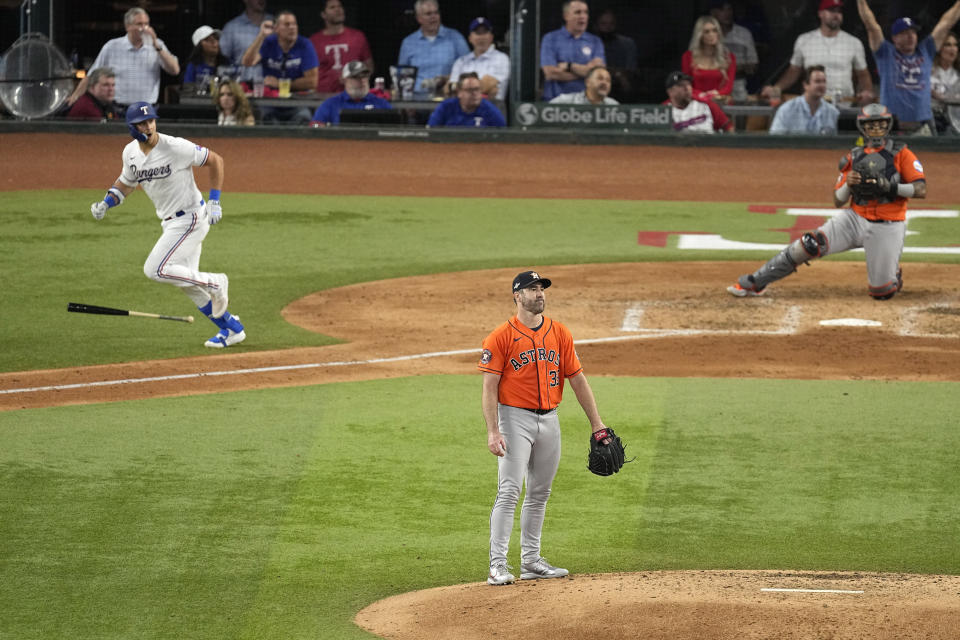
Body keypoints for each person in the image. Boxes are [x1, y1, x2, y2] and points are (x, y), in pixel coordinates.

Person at [479, 270, 611, 586]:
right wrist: (493, 430)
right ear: (517, 296)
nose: (539, 294)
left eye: (541, 288)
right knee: (510, 489)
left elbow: (577, 379)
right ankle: (497, 565)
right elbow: (489, 387)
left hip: (550, 419)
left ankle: (531, 561)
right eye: (532, 289)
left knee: (540, 492)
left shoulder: (560, 333)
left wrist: (597, 424)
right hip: (514, 419)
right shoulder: (500, 337)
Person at [728, 103, 927, 300]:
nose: (876, 128)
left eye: (881, 124)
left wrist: (890, 187)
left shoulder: (903, 154)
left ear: (888, 125)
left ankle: (892, 275)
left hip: (888, 225)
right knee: (809, 244)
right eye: (871, 124)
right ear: (862, 127)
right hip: (854, 219)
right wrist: (848, 184)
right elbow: (838, 201)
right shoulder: (853, 157)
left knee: (882, 292)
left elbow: (920, 189)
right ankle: (756, 281)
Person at [88, 103, 246, 348]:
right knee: (187, 284)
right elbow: (127, 182)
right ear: (132, 128)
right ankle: (232, 329)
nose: (149, 126)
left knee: (155, 268)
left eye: (151, 121)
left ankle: (216, 282)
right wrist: (106, 203)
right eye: (143, 123)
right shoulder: (130, 153)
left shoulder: (175, 146)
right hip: (170, 222)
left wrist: (215, 201)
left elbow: (216, 160)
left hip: (191, 218)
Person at [857, 0, 960, 134]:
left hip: (923, 125)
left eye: (913, 32)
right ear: (894, 37)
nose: (910, 36)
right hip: (892, 126)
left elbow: (946, 23)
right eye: (904, 33)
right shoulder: (885, 53)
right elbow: (871, 25)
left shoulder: (926, 50)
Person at [761, 0, 872, 106]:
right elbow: (794, 71)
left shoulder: (853, 42)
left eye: (839, 11)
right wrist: (777, 88)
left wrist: (867, 91)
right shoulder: (804, 40)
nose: (836, 15)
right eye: (831, 11)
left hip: (843, 104)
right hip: (812, 105)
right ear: (821, 14)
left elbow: (863, 74)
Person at [67, 7, 180, 108]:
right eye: (139, 24)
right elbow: (92, 75)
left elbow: (175, 70)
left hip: (146, 108)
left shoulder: (157, 45)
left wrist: (156, 46)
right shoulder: (112, 46)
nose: (144, 28)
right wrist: (75, 97)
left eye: (147, 24)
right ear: (128, 26)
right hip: (118, 107)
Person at [241, 10, 319, 123]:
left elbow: (312, 82)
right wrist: (261, 36)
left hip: (297, 102)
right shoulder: (269, 42)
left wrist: (280, 83)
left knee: (304, 117)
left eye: (294, 24)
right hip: (271, 102)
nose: (292, 27)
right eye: (287, 24)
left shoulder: (305, 45)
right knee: (266, 118)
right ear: (276, 28)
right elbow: (247, 62)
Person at [397, 0, 470, 98]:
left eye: (436, 13)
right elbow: (403, 76)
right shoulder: (408, 42)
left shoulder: (456, 38)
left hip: (449, 98)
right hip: (416, 100)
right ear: (419, 18)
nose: (433, 17)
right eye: (428, 14)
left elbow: (468, 69)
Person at [540, 0, 606, 101]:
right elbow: (551, 73)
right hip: (555, 102)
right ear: (566, 16)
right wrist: (586, 73)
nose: (583, 16)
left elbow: (598, 73)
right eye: (578, 12)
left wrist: (568, 66)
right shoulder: (550, 39)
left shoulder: (595, 41)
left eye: (586, 12)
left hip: (587, 102)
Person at [309, 0, 374, 94]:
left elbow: (369, 66)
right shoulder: (314, 41)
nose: (338, 9)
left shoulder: (358, 37)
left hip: (353, 95)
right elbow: (309, 74)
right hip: (323, 97)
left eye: (339, 6)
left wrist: (355, 78)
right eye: (332, 7)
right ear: (323, 14)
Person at [310, 61, 391, 126]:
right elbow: (315, 129)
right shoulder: (331, 104)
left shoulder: (381, 103)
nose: (362, 81)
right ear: (345, 80)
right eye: (356, 77)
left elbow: (395, 130)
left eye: (365, 76)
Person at [448, 17, 510, 101]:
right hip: (463, 110)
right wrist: (483, 87)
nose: (481, 37)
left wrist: (461, 87)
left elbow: (486, 85)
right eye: (477, 32)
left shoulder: (502, 58)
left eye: (485, 32)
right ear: (470, 38)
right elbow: (451, 89)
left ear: (491, 37)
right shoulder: (461, 61)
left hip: (492, 108)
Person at [769, 65, 840, 134]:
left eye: (824, 81)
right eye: (817, 81)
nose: (822, 85)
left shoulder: (832, 112)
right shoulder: (787, 110)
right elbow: (775, 140)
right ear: (805, 85)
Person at [709, 0, 758, 100]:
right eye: (722, 10)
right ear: (713, 13)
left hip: (739, 88)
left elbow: (753, 65)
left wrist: (729, 69)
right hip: (711, 89)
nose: (727, 13)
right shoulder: (706, 34)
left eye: (729, 9)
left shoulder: (744, 33)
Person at [682, 15, 736, 103]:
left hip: (720, 102)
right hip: (696, 102)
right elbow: (687, 85)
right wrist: (701, 95)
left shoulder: (729, 58)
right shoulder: (688, 57)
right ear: (700, 35)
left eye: (714, 31)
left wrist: (715, 94)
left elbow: (728, 87)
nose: (711, 35)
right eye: (706, 32)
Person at [221, 0, 274, 85]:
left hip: (271, 87)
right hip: (240, 86)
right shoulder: (232, 27)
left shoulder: (277, 25)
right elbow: (222, 61)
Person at [426, 72, 506, 127]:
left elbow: (503, 135)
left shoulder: (490, 110)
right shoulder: (446, 107)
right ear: (459, 92)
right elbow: (431, 130)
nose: (475, 93)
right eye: (470, 90)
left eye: (477, 89)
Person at [663, 70, 733, 133]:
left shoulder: (706, 105)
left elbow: (728, 128)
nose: (687, 88)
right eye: (681, 85)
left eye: (688, 84)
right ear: (670, 91)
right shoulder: (662, 112)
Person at [183, 26, 230, 91]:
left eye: (216, 38)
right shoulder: (193, 66)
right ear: (199, 46)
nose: (214, 42)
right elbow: (187, 92)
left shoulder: (227, 64)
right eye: (207, 39)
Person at [932, 32, 960, 133]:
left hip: (956, 124)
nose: (953, 49)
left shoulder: (957, 75)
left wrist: (942, 98)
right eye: (948, 45)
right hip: (933, 122)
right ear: (939, 49)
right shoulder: (928, 74)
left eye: (955, 45)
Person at [549, 66, 618, 104]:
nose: (604, 83)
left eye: (608, 80)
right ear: (587, 82)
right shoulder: (565, 101)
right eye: (600, 78)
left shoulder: (613, 105)